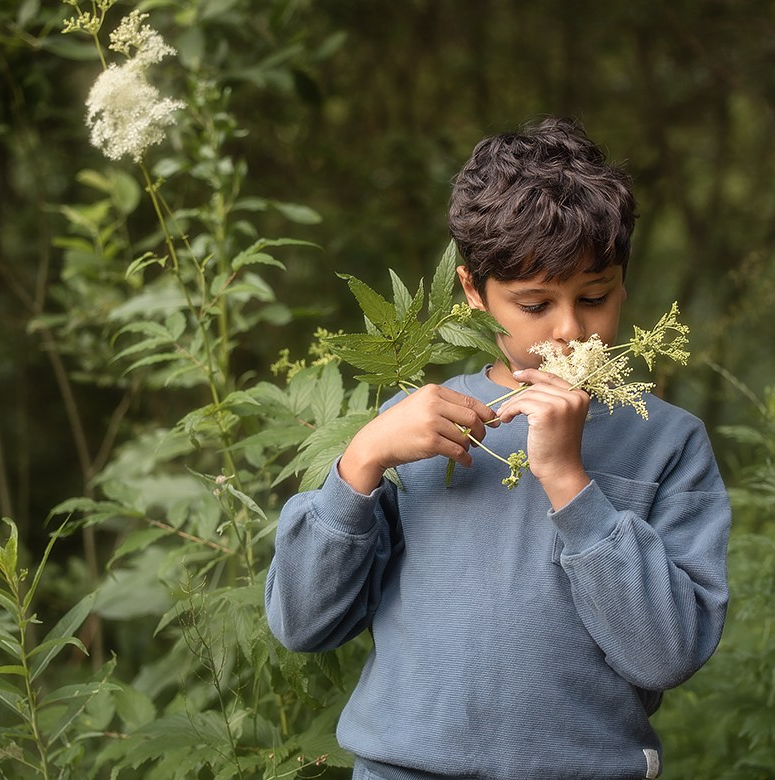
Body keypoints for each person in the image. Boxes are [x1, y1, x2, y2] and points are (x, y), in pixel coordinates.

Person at [264, 116, 730, 780]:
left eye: (594, 297)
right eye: (535, 306)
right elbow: (303, 624)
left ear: (624, 281)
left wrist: (569, 480)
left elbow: (666, 654)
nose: (570, 329)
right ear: (473, 291)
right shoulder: (415, 425)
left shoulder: (668, 443)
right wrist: (360, 462)